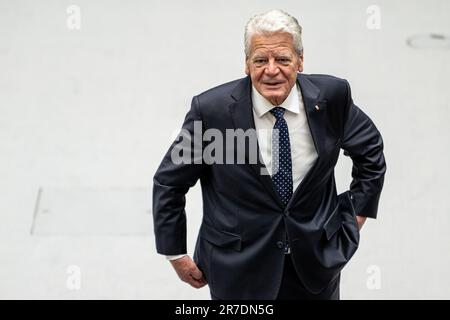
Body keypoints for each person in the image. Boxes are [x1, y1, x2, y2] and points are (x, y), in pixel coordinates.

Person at [152, 9, 386, 300]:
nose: (271, 70)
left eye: (283, 59)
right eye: (260, 60)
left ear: (300, 61)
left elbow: (371, 152)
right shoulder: (211, 111)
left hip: (315, 266)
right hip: (238, 272)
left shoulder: (331, 97)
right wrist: (174, 252)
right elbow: (169, 182)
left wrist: (355, 216)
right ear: (246, 64)